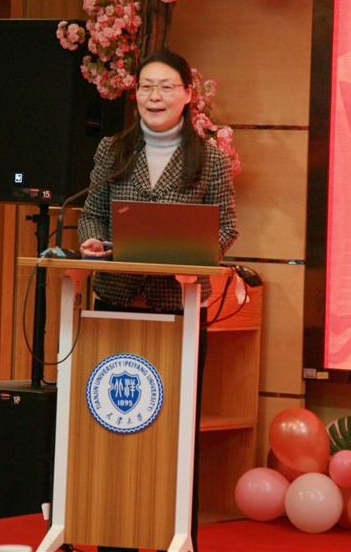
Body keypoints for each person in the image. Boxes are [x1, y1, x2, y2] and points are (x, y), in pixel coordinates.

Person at [78, 50, 238, 552]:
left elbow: (226, 227)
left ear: (188, 95)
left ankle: (177, 538)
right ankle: (113, 537)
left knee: (174, 430)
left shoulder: (209, 157)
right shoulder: (113, 149)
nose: (155, 96)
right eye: (147, 86)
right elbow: (92, 213)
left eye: (167, 87)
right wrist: (90, 241)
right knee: (114, 419)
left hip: (179, 305)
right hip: (117, 302)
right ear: (135, 94)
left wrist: (200, 258)